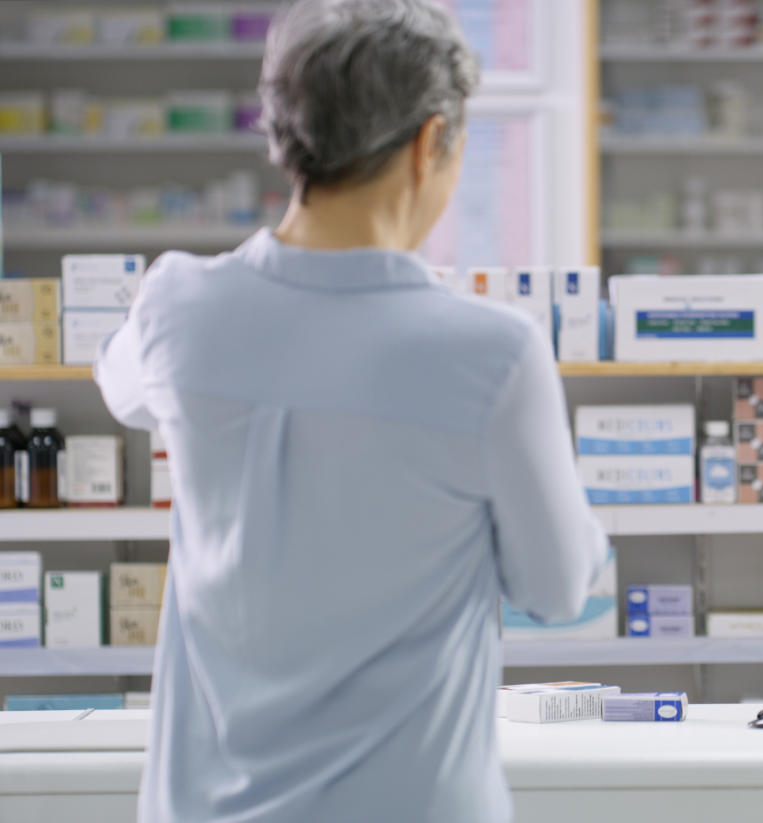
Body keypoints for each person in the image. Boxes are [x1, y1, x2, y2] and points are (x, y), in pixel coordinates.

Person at [94, 1, 609, 820]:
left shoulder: (177, 307)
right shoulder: (489, 351)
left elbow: (119, 386)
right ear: (428, 143)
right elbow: (556, 586)